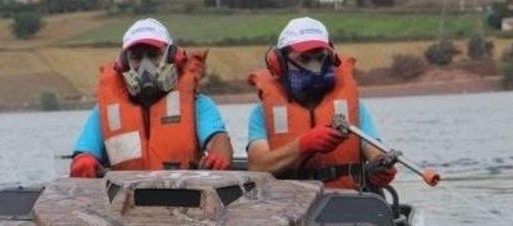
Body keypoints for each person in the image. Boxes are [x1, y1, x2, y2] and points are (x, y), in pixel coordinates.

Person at [245, 17, 396, 190]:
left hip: (345, 202)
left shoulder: (353, 107)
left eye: (321, 58)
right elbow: (257, 166)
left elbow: (373, 149)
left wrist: (380, 166)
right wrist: (303, 145)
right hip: (285, 206)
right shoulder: (261, 113)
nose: (316, 68)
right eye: (305, 59)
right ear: (279, 63)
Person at [71, 18, 232, 177]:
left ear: (172, 57)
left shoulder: (197, 104)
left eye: (154, 55)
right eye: (136, 57)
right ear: (123, 63)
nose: (145, 66)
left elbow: (218, 139)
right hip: (123, 197)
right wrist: (84, 160)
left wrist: (219, 154)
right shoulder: (104, 112)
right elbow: (84, 153)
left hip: (183, 195)